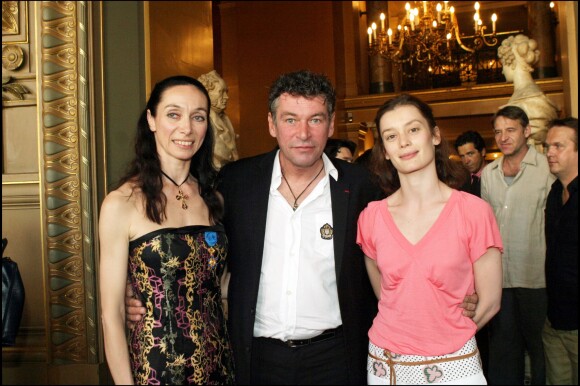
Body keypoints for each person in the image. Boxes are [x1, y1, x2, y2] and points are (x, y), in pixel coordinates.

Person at [125, 70, 480, 385]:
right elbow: (193, 245)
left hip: (336, 358)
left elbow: (414, 236)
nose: (303, 133)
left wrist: (457, 289)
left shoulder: (362, 188)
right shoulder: (235, 183)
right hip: (256, 358)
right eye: (291, 119)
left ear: (331, 123)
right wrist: (143, 290)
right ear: (271, 124)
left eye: (315, 119)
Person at [358, 94, 503, 385]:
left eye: (413, 129)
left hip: (455, 363)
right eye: (391, 136)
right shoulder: (371, 217)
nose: (404, 142)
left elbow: (489, 302)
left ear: (434, 135)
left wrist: (445, 336)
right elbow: (386, 293)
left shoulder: (473, 211)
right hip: (386, 366)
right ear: (384, 150)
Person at [99, 75, 234, 385]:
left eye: (198, 117)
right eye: (174, 114)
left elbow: (223, 287)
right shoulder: (122, 203)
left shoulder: (215, 198)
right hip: (154, 372)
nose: (186, 128)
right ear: (151, 119)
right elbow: (112, 314)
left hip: (220, 368)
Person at [481, 105, 556, 385]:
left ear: (527, 131)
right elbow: (486, 227)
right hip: (499, 279)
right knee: (503, 351)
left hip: (536, 277)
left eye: (511, 130)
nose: (503, 137)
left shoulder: (547, 168)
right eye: (498, 132)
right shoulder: (489, 173)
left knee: (541, 351)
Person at [542, 117, 578, 385]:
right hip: (554, 319)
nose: (549, 152)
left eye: (558, 146)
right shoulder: (554, 193)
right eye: (547, 146)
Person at [497, 34, 559, 150]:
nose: (502, 72)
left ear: (512, 63)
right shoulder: (526, 96)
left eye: (503, 65)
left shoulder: (531, 98)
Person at [198, 70, 239, 169]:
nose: (226, 97)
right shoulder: (201, 122)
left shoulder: (225, 118)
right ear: (207, 93)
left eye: (226, 92)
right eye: (221, 92)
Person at [454, 130, 487, 197]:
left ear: (483, 152)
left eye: (470, 154)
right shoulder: (460, 181)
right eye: (462, 156)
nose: (466, 161)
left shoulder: (496, 177)